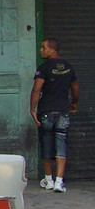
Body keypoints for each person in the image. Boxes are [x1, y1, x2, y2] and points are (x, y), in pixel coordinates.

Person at [30, 38, 79, 192]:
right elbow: (75, 88)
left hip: (46, 111)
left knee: (46, 143)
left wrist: (32, 109)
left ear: (52, 49)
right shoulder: (68, 67)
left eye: (43, 47)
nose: (41, 50)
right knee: (61, 143)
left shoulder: (44, 68)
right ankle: (59, 181)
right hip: (63, 111)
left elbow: (37, 89)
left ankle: (49, 179)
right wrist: (74, 103)